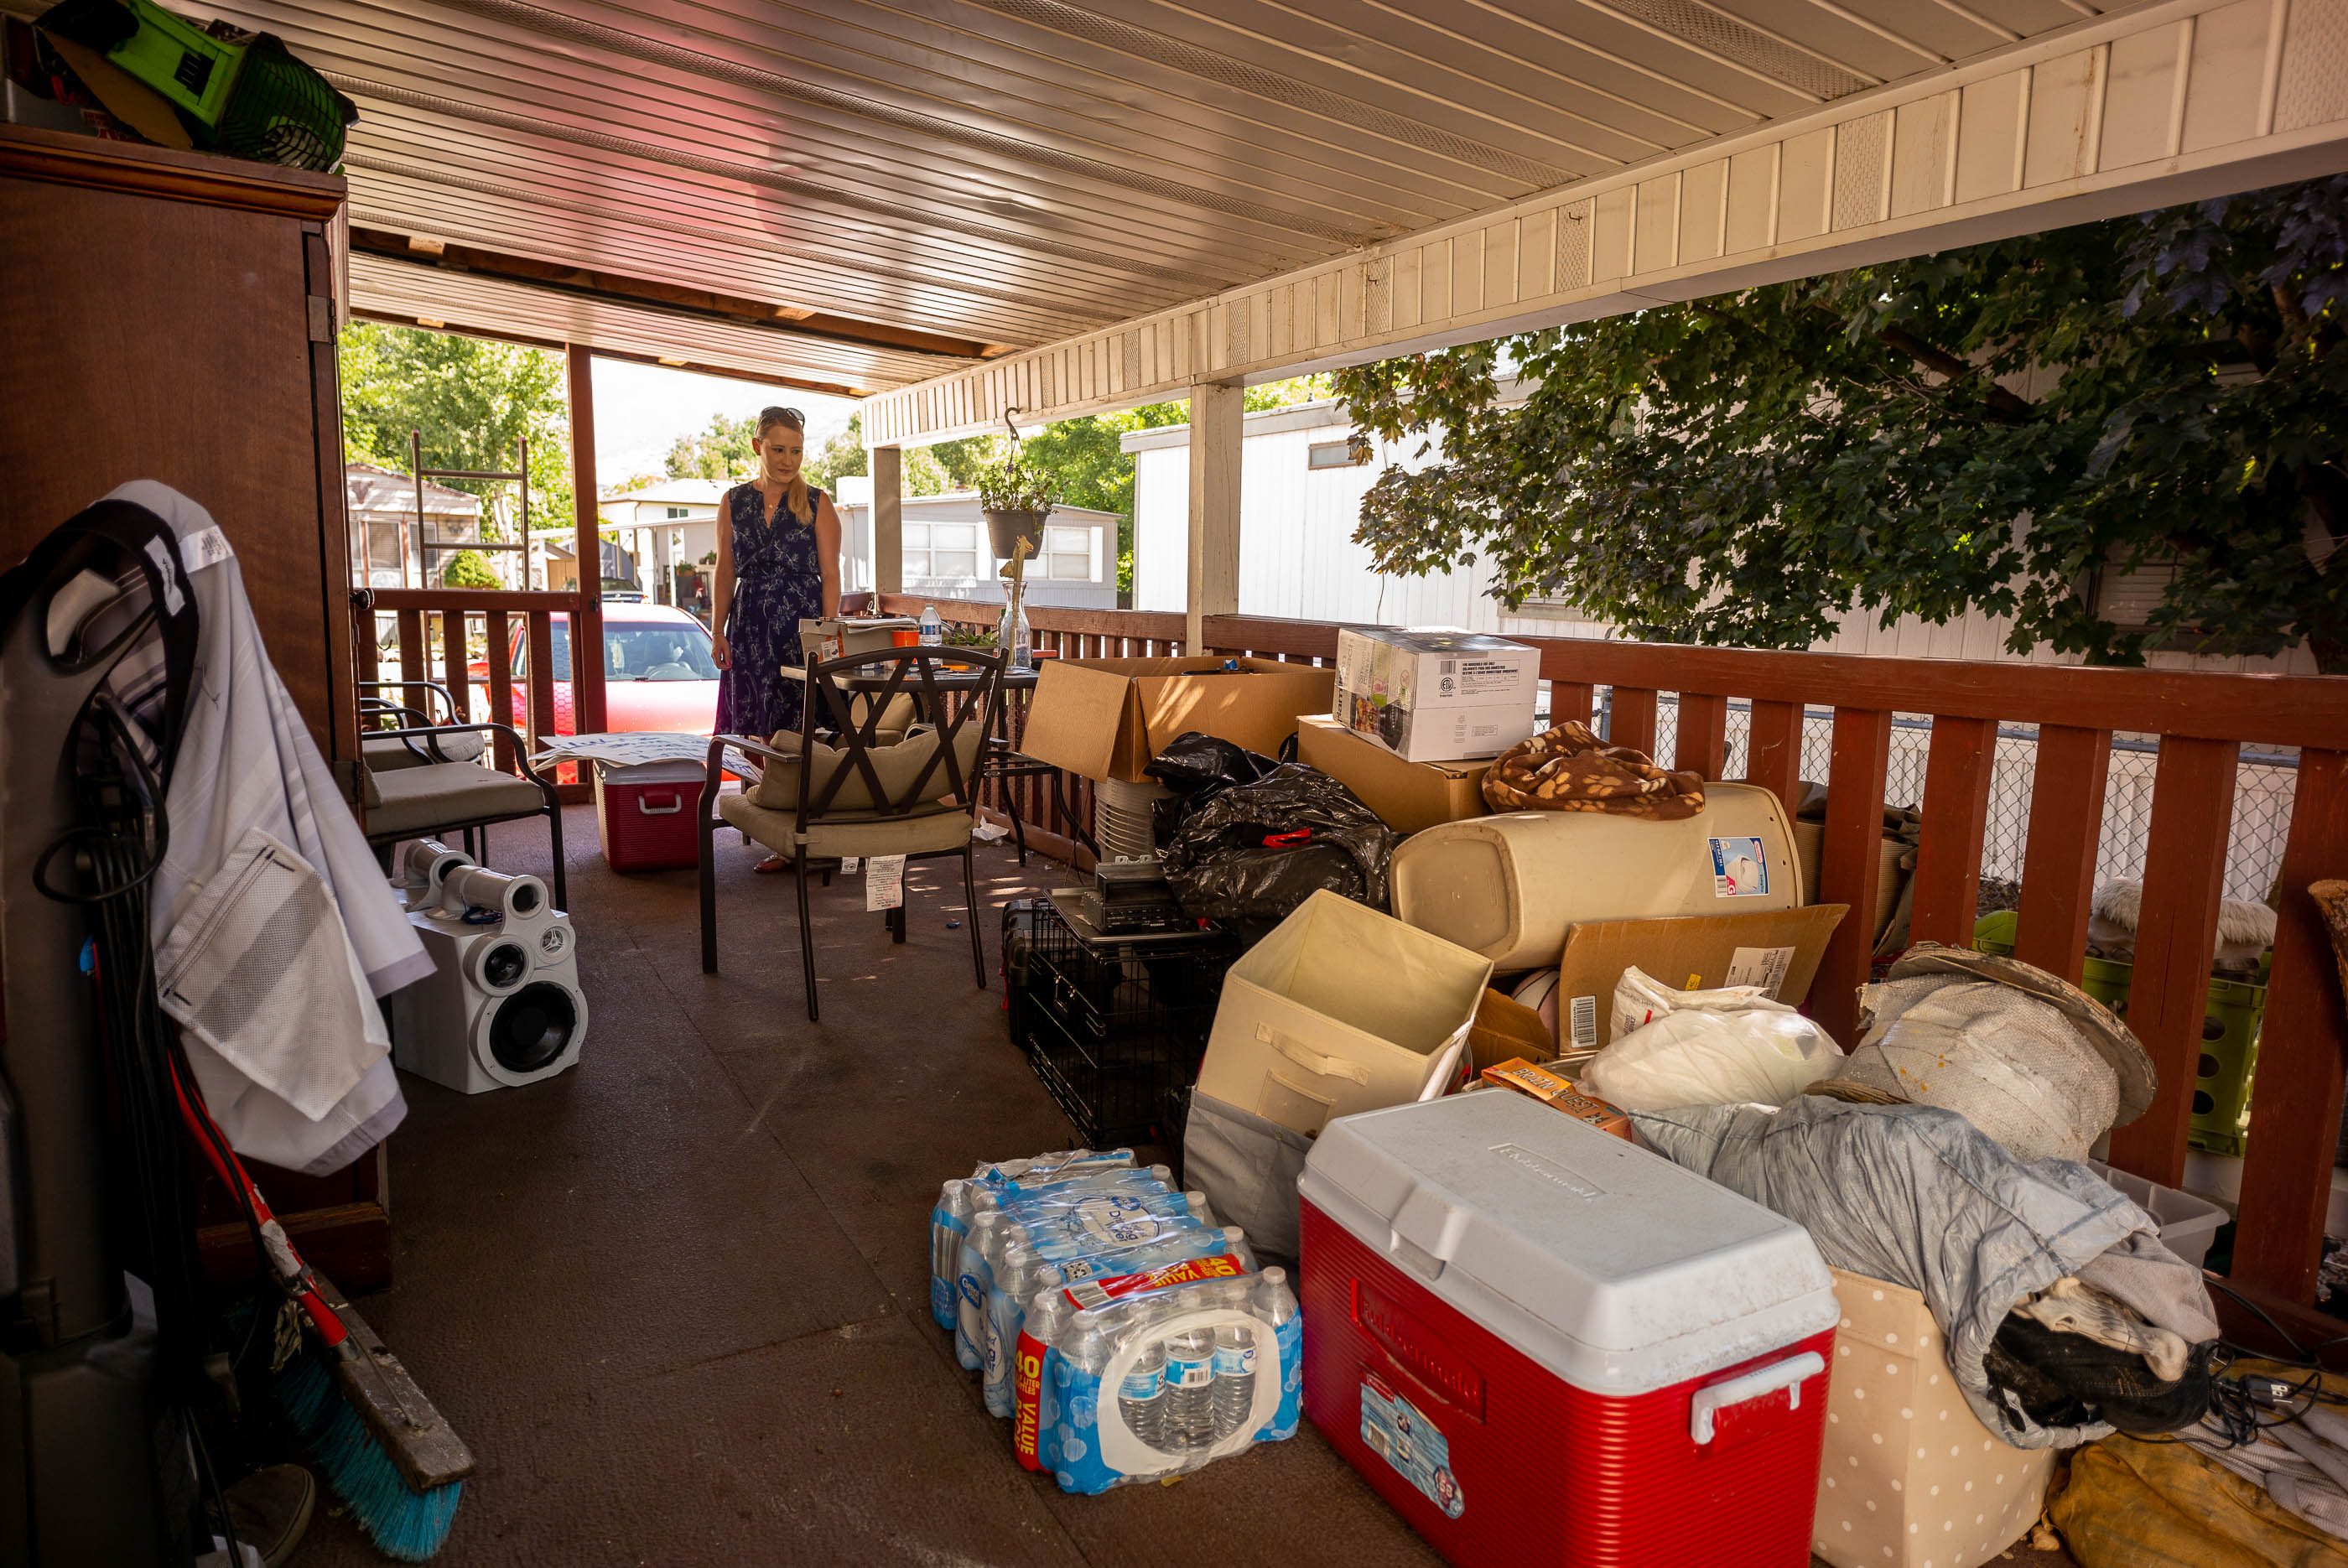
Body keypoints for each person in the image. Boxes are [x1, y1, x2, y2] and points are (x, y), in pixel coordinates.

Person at [710, 406, 841, 870]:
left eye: (797, 451)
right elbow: (725, 570)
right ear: (757, 447)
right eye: (778, 449)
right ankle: (784, 833)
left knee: (798, 731)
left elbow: (830, 575)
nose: (788, 460)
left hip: (799, 629)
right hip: (748, 627)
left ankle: (804, 835)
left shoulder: (819, 504)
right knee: (756, 730)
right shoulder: (733, 501)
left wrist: (826, 637)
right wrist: (717, 628)